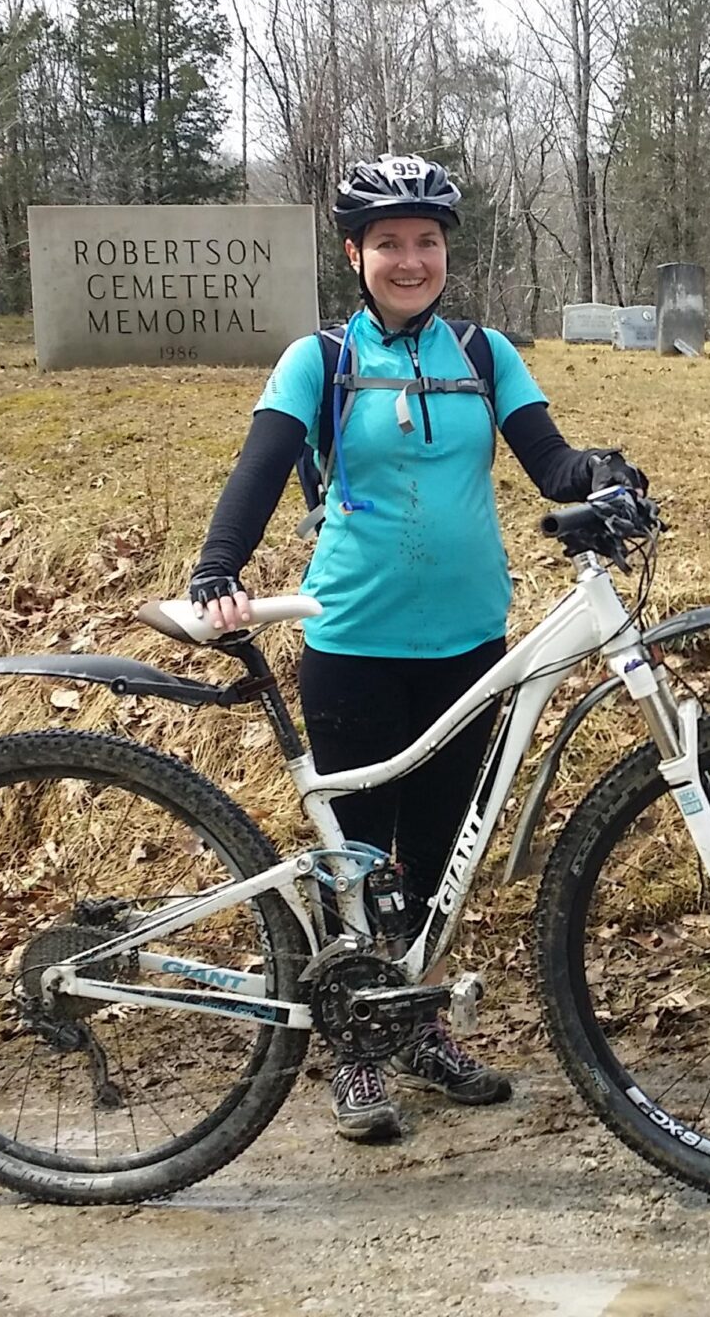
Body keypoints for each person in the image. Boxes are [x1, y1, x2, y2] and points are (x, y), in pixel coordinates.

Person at [188, 153, 645, 1141]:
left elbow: (549, 461)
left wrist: (600, 473)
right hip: (353, 641)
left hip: (469, 642)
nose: (409, 259)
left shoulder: (483, 357)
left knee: (441, 860)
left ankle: (421, 1026)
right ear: (355, 254)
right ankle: (357, 1053)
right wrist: (217, 567)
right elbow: (260, 468)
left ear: (446, 252)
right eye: (388, 243)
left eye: (426, 242)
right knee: (363, 859)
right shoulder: (321, 359)